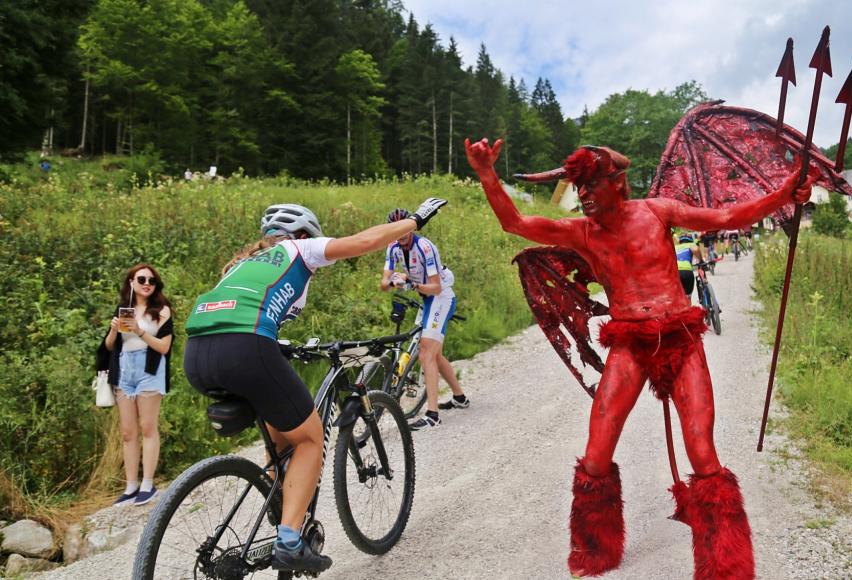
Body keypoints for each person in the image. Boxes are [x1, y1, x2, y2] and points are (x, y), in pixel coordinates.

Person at [465, 138, 817, 579]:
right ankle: (594, 552)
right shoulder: (583, 232)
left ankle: (726, 570)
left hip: (680, 338)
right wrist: (486, 173)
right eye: (580, 188)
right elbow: (515, 222)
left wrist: (785, 194)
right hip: (628, 343)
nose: (585, 195)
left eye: (592, 185)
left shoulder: (657, 211)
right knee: (596, 451)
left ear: (617, 183)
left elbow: (727, 217)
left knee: (703, 454)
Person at [183, 198, 447, 573]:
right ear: (303, 234)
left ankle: (275, 522)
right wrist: (413, 222)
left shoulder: (241, 265)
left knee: (282, 447)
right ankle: (289, 541)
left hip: (198, 353)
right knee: (309, 439)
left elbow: (238, 311)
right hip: (245, 346)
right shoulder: (299, 248)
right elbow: (362, 241)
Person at [380, 208, 468, 430]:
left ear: (412, 227)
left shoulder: (425, 247)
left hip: (441, 295)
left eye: (404, 228)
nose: (400, 234)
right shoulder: (392, 247)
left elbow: (436, 286)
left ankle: (432, 415)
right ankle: (459, 397)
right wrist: (395, 281)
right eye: (395, 229)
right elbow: (384, 284)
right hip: (425, 296)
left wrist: (411, 284)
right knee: (435, 355)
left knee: (426, 352)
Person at [97, 263, 174, 507]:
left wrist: (141, 332)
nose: (147, 284)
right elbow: (110, 347)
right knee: (128, 432)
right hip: (124, 369)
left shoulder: (161, 310)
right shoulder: (123, 309)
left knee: (148, 426)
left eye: (151, 281)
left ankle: (147, 484)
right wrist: (112, 330)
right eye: (141, 279)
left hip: (149, 369)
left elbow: (164, 348)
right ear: (131, 282)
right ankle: (130, 486)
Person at [675, 232, 701, 302]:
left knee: (676, 297)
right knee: (688, 297)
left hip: (674, 273)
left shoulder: (675, 247)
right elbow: (695, 249)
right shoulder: (691, 244)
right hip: (686, 272)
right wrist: (701, 260)